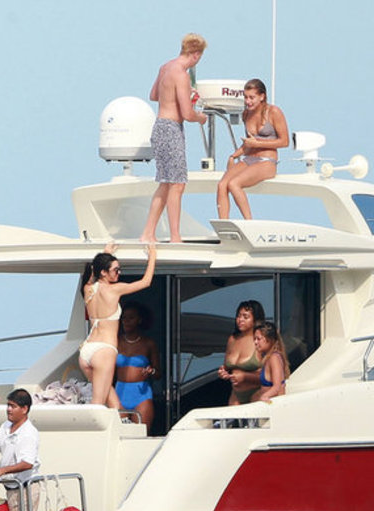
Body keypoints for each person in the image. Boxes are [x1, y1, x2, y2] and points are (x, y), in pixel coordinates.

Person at [141, 33, 208, 243]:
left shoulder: (166, 67)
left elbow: (154, 95)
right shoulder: (181, 74)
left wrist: (178, 94)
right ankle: (175, 236)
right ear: (196, 54)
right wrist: (201, 117)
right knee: (177, 184)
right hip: (171, 129)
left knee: (166, 183)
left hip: (159, 127)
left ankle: (148, 233)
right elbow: (187, 114)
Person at [80, 243, 157, 409]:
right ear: (104, 272)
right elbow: (146, 282)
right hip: (104, 350)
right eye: (116, 270)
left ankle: (122, 421)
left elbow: (94, 269)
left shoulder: (88, 289)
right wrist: (152, 256)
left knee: (111, 399)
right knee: (98, 404)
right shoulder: (114, 290)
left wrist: (106, 253)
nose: (119, 273)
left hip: (87, 350)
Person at [216, 78, 289, 219]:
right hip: (249, 159)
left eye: (251, 97)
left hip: (266, 161)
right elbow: (249, 144)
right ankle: (223, 225)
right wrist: (234, 156)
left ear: (262, 96)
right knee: (222, 185)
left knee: (234, 184)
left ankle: (249, 223)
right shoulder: (246, 114)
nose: (247, 101)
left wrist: (258, 144)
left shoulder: (273, 112)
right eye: (245, 97)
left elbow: (284, 142)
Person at [115, 302, 160, 431]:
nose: (126, 321)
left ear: (139, 320)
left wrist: (151, 371)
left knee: (141, 434)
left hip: (141, 394)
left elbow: (158, 374)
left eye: (131, 318)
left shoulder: (148, 344)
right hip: (119, 393)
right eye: (124, 318)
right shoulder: (116, 341)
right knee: (119, 434)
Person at [217, 300, 266, 405]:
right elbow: (227, 366)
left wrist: (245, 376)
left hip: (257, 392)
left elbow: (270, 375)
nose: (240, 320)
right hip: (236, 394)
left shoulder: (261, 340)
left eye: (245, 317)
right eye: (238, 316)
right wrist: (223, 372)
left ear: (255, 320)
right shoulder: (232, 339)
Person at [252, 321, 291, 402]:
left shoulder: (274, 358)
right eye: (254, 339)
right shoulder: (268, 357)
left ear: (269, 339)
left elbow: (277, 387)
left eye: (258, 339)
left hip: (275, 406)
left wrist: (264, 396)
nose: (255, 342)